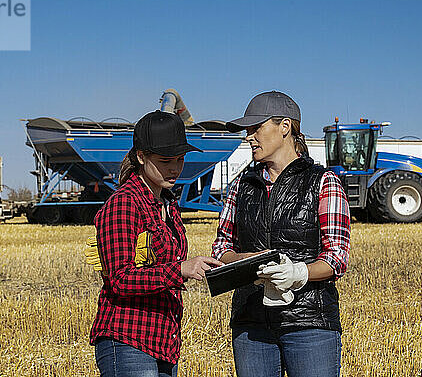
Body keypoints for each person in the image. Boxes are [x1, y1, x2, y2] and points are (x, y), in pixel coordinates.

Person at [211, 91, 351, 377]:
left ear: (285, 127)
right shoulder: (242, 186)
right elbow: (220, 246)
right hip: (251, 324)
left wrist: (298, 273)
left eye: (256, 128)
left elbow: (337, 256)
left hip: (309, 322)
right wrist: (244, 260)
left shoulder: (323, 182)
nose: (249, 137)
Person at [90, 110, 223, 377]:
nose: (175, 168)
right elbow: (119, 279)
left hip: (163, 341)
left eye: (180, 159)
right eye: (165, 161)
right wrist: (181, 270)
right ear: (141, 156)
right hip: (128, 338)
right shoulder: (124, 204)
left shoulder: (168, 204)